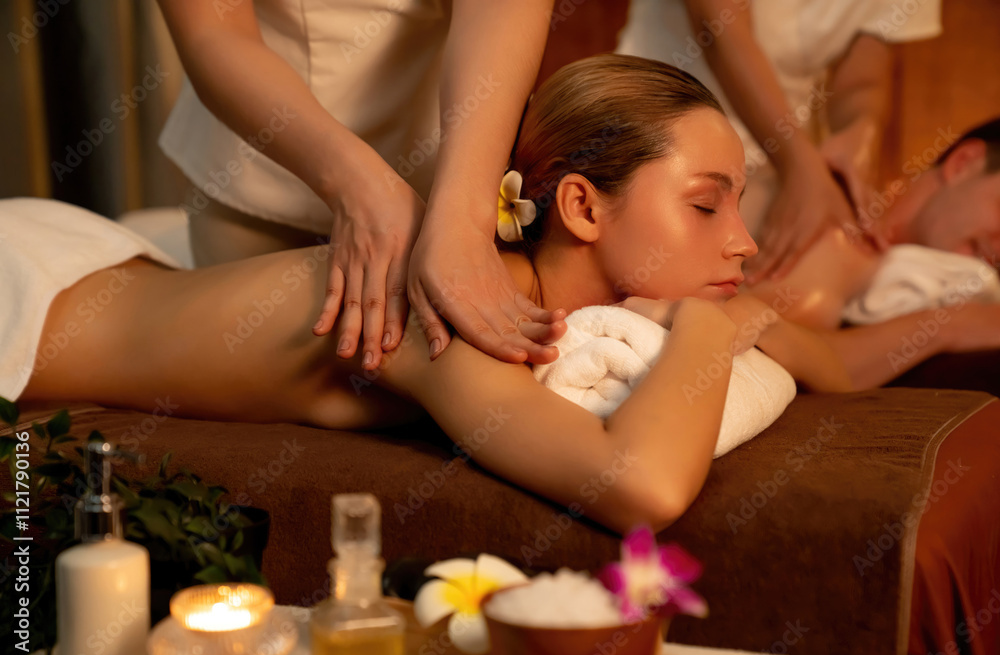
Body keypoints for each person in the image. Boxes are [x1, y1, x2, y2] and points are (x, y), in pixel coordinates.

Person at [11, 56, 852, 535]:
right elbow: (643, 490)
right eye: (706, 206)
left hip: (102, 260)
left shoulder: (549, 298)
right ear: (583, 207)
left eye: (739, 205)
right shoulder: (453, 309)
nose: (743, 240)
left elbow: (838, 364)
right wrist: (709, 324)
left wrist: (766, 312)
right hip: (22, 294)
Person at [156, 0, 565, 374]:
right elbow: (214, 32)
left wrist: (464, 217)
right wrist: (360, 186)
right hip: (258, 179)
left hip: (452, 169)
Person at [616, 0, 942, 283]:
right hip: (656, 121)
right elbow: (719, 28)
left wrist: (860, 133)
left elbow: (863, 80)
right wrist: (800, 167)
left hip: (785, 155)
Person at [748, 119, 1000, 389]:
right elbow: (757, 348)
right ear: (963, 163)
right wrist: (953, 325)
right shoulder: (834, 225)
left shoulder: (916, 281)